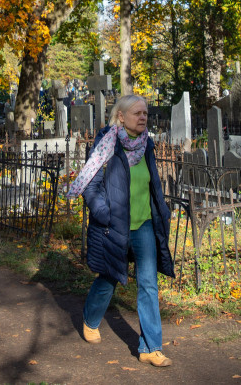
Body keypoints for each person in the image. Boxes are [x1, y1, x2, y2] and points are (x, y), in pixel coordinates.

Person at [67, 94, 175, 368]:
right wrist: (105, 214)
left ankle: (150, 347)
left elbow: (152, 183)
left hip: (144, 225)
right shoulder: (107, 145)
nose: (143, 117)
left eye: (145, 113)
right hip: (114, 227)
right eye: (137, 113)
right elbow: (90, 186)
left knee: (149, 285)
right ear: (121, 117)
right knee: (109, 278)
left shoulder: (147, 144)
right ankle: (91, 320)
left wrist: (161, 210)